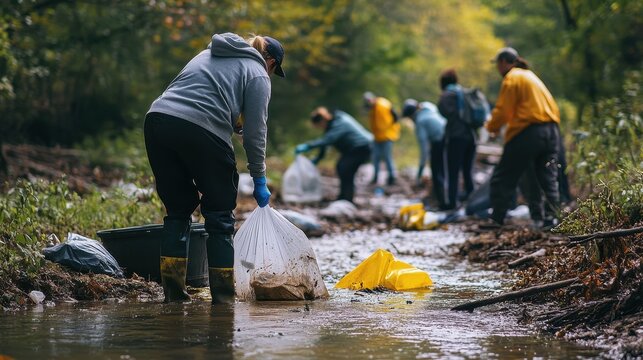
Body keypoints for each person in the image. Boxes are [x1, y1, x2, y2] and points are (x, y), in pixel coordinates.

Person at [144, 32, 285, 303]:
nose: (271, 74)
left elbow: (194, 95)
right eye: (274, 69)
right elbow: (257, 132)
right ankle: (223, 302)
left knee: (177, 210)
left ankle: (174, 297)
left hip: (158, 121)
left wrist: (232, 123)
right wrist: (259, 177)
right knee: (220, 216)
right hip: (201, 129)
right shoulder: (257, 72)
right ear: (270, 60)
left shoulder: (207, 54)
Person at [485, 47, 560, 228]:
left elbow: (504, 110)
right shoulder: (531, 77)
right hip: (551, 131)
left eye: (497, 64)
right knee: (545, 176)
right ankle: (552, 219)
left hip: (529, 132)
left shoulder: (513, 77)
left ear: (503, 62)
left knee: (503, 176)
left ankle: (496, 219)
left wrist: (491, 127)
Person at [295, 107, 373, 203]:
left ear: (322, 121)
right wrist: (318, 158)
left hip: (362, 147)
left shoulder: (339, 123)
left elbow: (327, 140)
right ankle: (344, 198)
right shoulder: (333, 123)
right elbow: (325, 142)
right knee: (343, 168)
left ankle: (346, 199)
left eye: (319, 126)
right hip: (357, 148)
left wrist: (308, 146)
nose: (320, 128)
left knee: (345, 169)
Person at [437, 69, 476, 210]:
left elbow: (443, 112)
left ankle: (452, 203)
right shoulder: (464, 93)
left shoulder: (447, 96)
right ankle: (473, 204)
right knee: (468, 172)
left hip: (456, 137)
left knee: (453, 172)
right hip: (471, 137)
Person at [402, 99, 447, 209]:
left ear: (411, 115)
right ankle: (446, 200)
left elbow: (424, 151)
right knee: (444, 171)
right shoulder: (430, 108)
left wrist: (419, 174)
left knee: (436, 173)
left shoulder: (420, 122)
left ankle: (442, 204)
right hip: (450, 137)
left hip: (439, 142)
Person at [363, 92, 400, 185]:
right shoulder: (373, 108)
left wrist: (392, 131)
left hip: (387, 135)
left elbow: (394, 117)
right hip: (377, 136)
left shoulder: (383, 104)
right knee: (375, 157)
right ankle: (375, 177)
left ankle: (392, 177)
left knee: (387, 157)